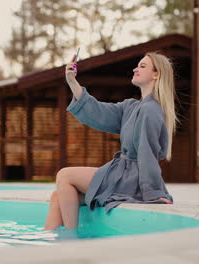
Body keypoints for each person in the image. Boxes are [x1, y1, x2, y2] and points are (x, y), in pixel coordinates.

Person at [44, 51, 177, 231]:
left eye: (142, 66)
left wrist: (153, 192)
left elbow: (147, 153)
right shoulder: (131, 107)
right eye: (138, 65)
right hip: (120, 173)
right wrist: (72, 81)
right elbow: (99, 112)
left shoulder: (150, 110)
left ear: (156, 74)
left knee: (64, 175)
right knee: (57, 196)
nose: (135, 69)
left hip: (132, 180)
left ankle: (71, 237)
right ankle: (49, 246)